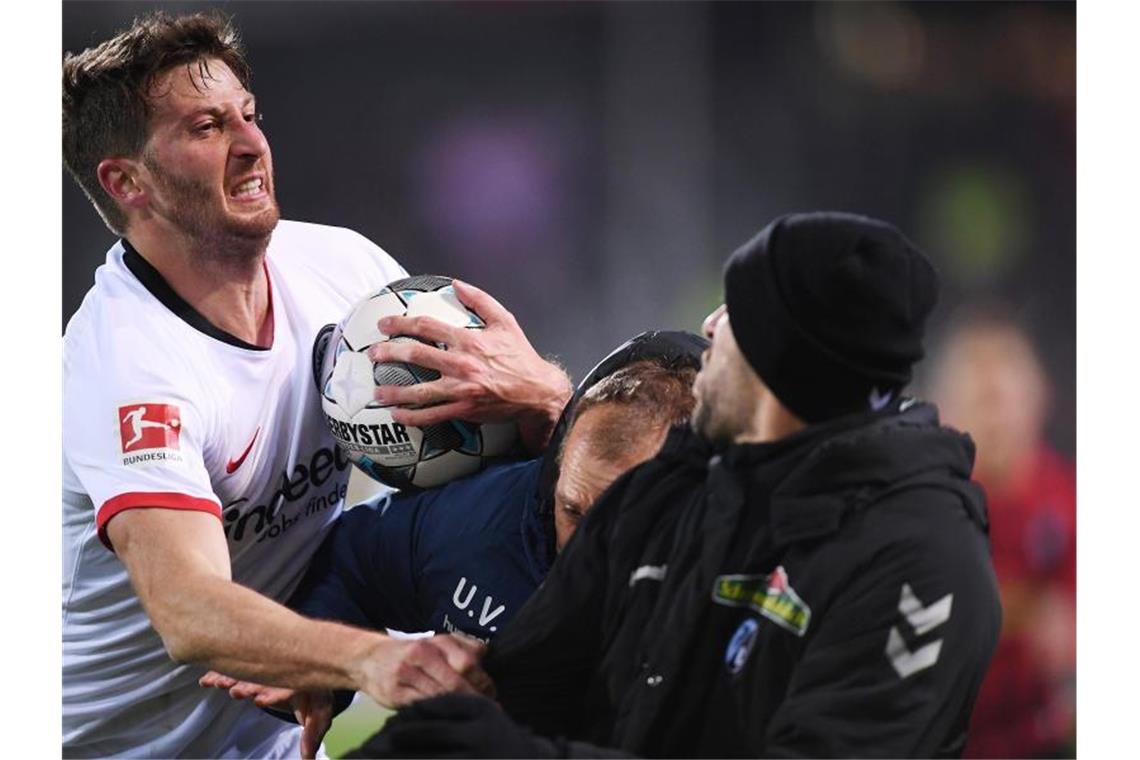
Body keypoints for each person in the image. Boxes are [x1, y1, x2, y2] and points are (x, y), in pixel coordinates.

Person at [62, 11, 570, 758]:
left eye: (249, 115)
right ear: (127, 181)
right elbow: (188, 611)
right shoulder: (126, 365)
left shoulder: (347, 272)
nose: (252, 145)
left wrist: (542, 397)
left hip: (275, 743)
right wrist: (374, 657)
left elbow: (488, 465)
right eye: (206, 127)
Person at [352, 211, 1004, 758]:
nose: (711, 328)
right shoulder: (682, 483)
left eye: (738, 315)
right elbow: (531, 680)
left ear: (779, 364)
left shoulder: (923, 565)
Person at [200, 331, 705, 733]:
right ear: (557, 468)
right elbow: (356, 564)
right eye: (574, 511)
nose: (588, 550)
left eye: (628, 525)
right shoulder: (485, 522)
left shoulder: (760, 587)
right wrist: (326, 670)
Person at [930, 308, 1076, 758]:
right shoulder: (923, 510)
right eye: (982, 398)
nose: (997, 417)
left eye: (1005, 397)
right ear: (944, 407)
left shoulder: (1070, 502)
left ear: (1039, 398)